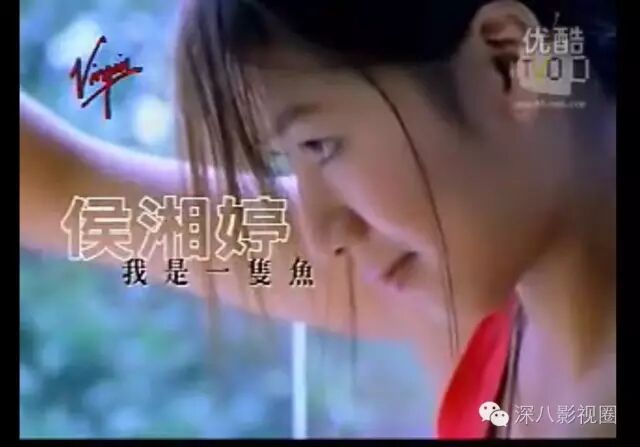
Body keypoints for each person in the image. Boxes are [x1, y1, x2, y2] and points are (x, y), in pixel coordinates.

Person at [20, 0, 616, 438]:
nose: (324, 232)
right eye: (290, 160)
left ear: (510, 62)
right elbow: (66, 192)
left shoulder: (460, 287)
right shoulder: (485, 294)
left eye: (320, 145)